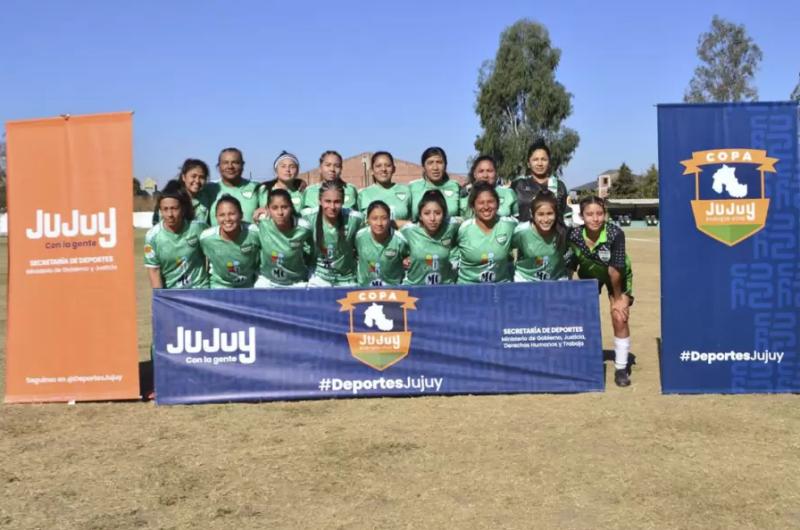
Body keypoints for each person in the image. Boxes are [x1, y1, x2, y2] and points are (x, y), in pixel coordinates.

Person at [567, 196, 634, 387]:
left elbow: (616, 270)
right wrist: (567, 292)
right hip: (589, 275)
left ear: (604, 215)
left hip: (617, 276)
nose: (595, 219)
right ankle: (584, 361)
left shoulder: (615, 233)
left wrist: (619, 299)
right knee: (582, 316)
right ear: (581, 216)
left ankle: (621, 368)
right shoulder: (574, 235)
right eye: (589, 214)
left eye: (599, 214)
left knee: (619, 316)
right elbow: (570, 265)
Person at [144, 180, 209, 289]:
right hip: (173, 296)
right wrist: (161, 298)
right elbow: (154, 271)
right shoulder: (152, 237)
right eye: (165, 209)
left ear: (183, 209)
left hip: (200, 290)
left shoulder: (198, 228)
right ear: (160, 211)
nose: (170, 214)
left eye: (174, 208)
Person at [456, 181, 517, 284]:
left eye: (490, 201)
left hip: (500, 289)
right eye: (480, 203)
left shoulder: (509, 225)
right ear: (473, 206)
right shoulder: (462, 229)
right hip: (468, 290)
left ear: (497, 204)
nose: (486, 206)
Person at [305, 180, 363, 287]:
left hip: (347, 278)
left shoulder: (355, 219)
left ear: (343, 201)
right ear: (319, 200)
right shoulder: (307, 217)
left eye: (337, 201)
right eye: (327, 201)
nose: (332, 206)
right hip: (318, 277)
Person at [254, 188, 313, 288]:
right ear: (268, 209)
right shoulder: (262, 222)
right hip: (267, 280)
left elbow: (314, 247)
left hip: (297, 282)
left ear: (291, 207)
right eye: (275, 208)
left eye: (284, 207)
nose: (280, 212)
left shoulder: (304, 227)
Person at [401, 190, 461, 285]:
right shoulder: (409, 231)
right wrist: (402, 258)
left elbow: (471, 224)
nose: (432, 218)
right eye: (427, 213)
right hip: (415, 289)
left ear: (444, 215)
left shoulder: (452, 226)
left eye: (437, 213)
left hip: (445, 288)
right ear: (420, 216)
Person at [199, 195, 261, 288]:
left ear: (241, 215)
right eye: (222, 215)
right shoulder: (206, 238)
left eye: (232, 214)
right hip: (219, 287)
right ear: (216, 217)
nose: (227, 219)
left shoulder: (254, 232)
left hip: (248, 286)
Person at [512, 190, 568, 281]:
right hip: (526, 280)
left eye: (550, 214)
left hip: (556, 280)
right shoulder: (521, 231)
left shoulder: (563, 232)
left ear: (556, 213)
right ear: (532, 214)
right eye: (540, 214)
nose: (545, 220)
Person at [511, 139, 569, 224]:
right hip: (524, 236)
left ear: (549, 163)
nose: (539, 163)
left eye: (543, 159)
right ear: (528, 163)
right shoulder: (518, 185)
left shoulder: (559, 186)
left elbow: (563, 216)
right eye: (535, 159)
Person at [355, 200, 409, 286]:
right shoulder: (359, 237)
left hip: (394, 292)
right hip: (364, 291)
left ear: (389, 219)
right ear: (368, 219)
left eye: (384, 218)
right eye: (374, 218)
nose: (379, 223)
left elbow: (410, 257)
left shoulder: (399, 239)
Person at [204, 147, 260, 226]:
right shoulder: (208, 189)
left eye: (235, 162)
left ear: (242, 165)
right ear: (218, 166)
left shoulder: (258, 188)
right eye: (225, 163)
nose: (230, 166)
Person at [356, 151, 412, 225]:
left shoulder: (406, 190)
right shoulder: (362, 194)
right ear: (372, 170)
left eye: (388, 165)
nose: (383, 169)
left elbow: (413, 222)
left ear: (394, 169)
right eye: (378, 166)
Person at [152, 159, 212, 224]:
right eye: (193, 176)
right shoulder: (171, 197)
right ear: (183, 177)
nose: (197, 181)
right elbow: (157, 224)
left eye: (201, 177)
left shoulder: (206, 199)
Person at [409, 147, 461, 220]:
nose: (435, 168)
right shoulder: (412, 187)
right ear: (423, 166)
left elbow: (465, 217)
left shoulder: (455, 186)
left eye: (439, 162)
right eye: (430, 163)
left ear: (445, 165)